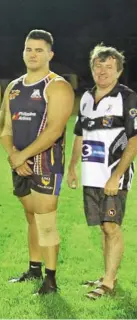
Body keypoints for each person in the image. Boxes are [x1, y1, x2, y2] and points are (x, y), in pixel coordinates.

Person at [0, 29, 74, 295]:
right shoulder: (14, 87)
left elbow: (54, 131)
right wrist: (13, 157)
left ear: (50, 54)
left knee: (46, 220)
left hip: (46, 164)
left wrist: (22, 155)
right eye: (29, 49)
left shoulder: (58, 86)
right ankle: (33, 269)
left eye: (39, 50)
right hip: (20, 164)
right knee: (31, 217)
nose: (32, 54)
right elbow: (4, 127)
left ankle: (51, 282)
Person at [67, 44, 137, 299]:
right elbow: (79, 134)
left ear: (118, 71)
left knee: (111, 226)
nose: (103, 71)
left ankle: (108, 282)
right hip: (91, 175)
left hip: (112, 175)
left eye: (109, 67)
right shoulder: (85, 98)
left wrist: (117, 175)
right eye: (99, 66)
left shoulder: (127, 98)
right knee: (104, 227)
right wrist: (72, 167)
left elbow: (134, 139)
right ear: (92, 68)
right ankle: (107, 275)